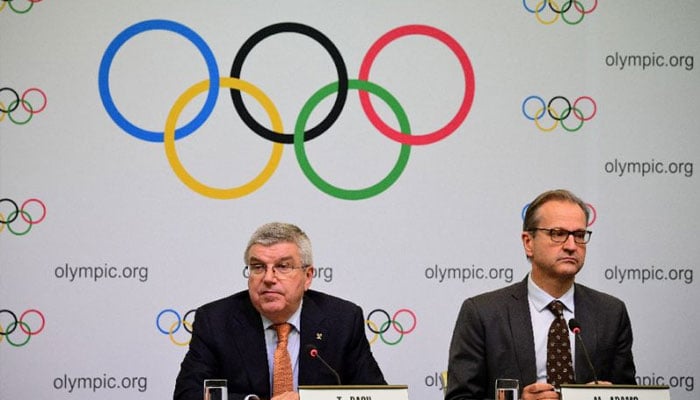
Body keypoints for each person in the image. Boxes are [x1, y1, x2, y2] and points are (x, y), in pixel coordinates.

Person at [446, 189, 636, 400]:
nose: (571, 246)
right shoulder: (483, 313)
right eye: (558, 234)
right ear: (529, 242)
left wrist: (610, 396)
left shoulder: (610, 313)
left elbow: (630, 392)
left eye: (579, 235)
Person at [174, 222, 386, 400]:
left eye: (283, 266)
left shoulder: (343, 320)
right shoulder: (215, 321)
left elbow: (376, 395)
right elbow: (187, 394)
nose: (268, 278)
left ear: (308, 276)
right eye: (258, 267)